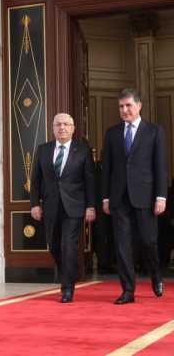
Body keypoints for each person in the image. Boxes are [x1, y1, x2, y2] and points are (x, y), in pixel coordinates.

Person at [101, 88, 168, 304]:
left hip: (146, 197)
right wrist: (105, 198)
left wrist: (161, 196)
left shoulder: (154, 131)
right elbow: (107, 169)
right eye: (121, 106)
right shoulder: (111, 133)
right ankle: (128, 290)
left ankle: (156, 276)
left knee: (149, 242)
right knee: (122, 246)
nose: (124, 110)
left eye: (128, 105)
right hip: (119, 198)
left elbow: (160, 166)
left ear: (139, 106)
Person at [30, 113, 95, 303]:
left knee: (68, 245)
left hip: (74, 207)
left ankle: (67, 288)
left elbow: (90, 181)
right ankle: (70, 273)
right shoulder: (43, 150)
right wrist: (34, 204)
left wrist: (90, 206)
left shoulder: (83, 151)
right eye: (58, 124)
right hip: (50, 206)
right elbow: (35, 181)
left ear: (73, 128)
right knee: (55, 245)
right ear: (53, 128)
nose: (62, 128)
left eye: (67, 124)